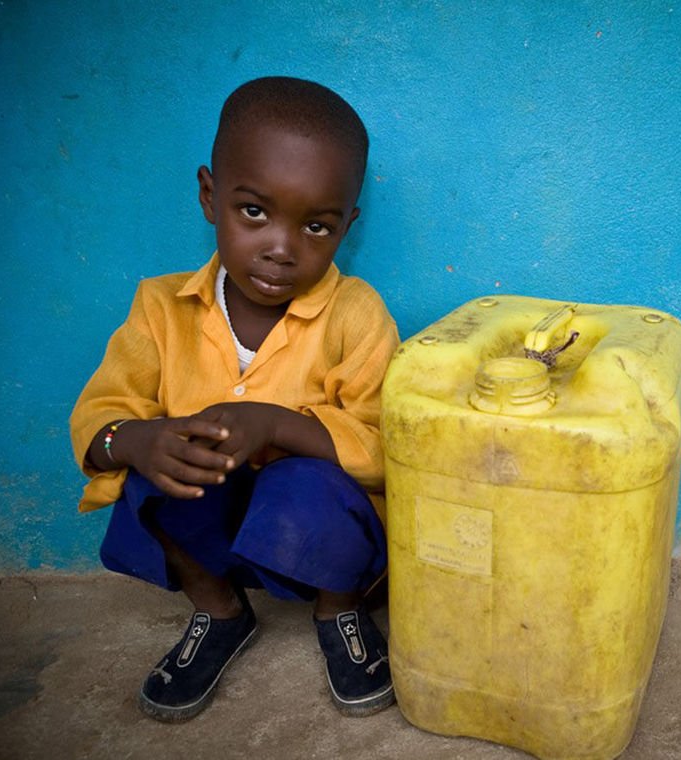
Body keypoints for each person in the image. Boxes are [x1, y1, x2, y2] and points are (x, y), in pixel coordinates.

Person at [69, 76, 399, 722]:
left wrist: (274, 426)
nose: (281, 247)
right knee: (151, 474)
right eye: (253, 212)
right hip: (211, 522)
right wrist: (133, 440)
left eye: (316, 225)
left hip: (314, 529)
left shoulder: (356, 315)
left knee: (309, 483)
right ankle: (219, 610)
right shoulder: (160, 307)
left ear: (346, 226)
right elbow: (98, 420)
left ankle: (340, 611)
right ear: (209, 195)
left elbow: (386, 448)